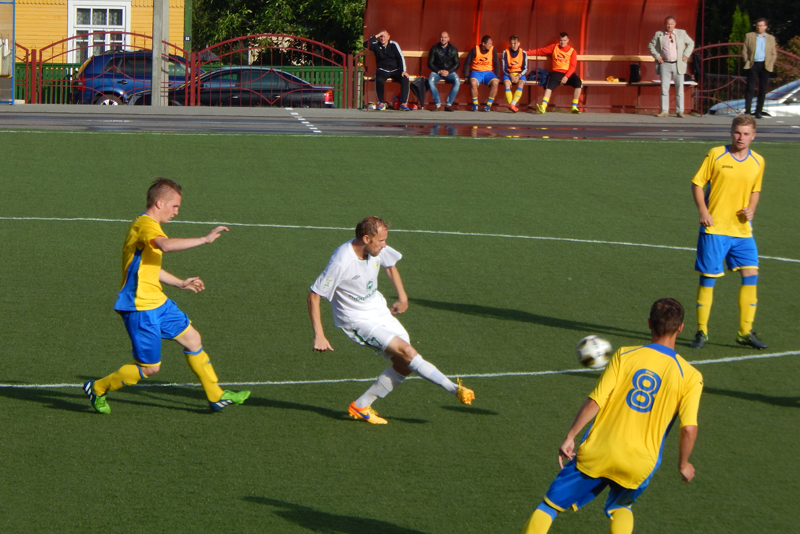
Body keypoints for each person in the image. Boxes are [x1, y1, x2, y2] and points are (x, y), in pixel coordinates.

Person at [521, 298, 703, 534]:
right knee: (622, 506)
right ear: (681, 328)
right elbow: (688, 428)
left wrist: (570, 436)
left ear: (649, 323)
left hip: (600, 451)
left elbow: (596, 400)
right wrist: (683, 464)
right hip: (640, 462)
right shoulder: (691, 376)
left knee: (549, 506)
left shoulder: (625, 355)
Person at [83, 178, 250, 414]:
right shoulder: (145, 226)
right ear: (160, 203)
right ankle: (97, 388)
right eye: (175, 206)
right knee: (150, 368)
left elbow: (148, 268)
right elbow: (166, 246)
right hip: (140, 308)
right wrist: (204, 239)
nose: (177, 212)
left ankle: (216, 396)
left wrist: (179, 282)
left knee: (193, 339)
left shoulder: (150, 226)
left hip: (159, 303)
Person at [307, 216, 475, 424]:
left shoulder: (376, 249)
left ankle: (361, 405)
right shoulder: (342, 262)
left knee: (405, 364)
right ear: (366, 238)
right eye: (381, 240)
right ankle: (454, 389)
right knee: (408, 352)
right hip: (357, 320)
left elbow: (389, 265)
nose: (385, 245)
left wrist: (402, 297)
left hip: (378, 310)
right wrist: (319, 335)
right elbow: (314, 296)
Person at [689, 114, 767, 350]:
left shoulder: (758, 161)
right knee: (708, 279)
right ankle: (702, 331)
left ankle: (745, 332)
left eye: (746, 134)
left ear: (753, 136)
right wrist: (703, 211)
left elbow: (755, 190)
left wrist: (752, 208)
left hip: (742, 231)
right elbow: (697, 184)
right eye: (737, 132)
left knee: (751, 274)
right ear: (731, 132)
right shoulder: (716, 154)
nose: (740, 137)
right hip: (714, 228)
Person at [648, 16, 694, 118]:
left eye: (671, 24)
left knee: (679, 88)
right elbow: (650, 45)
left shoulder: (681, 33)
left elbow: (691, 43)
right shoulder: (659, 34)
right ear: (665, 24)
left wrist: (686, 54)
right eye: (668, 24)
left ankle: (680, 111)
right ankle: (664, 111)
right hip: (665, 64)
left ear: (675, 24)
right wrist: (657, 56)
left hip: (678, 64)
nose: (670, 26)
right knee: (664, 89)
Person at [527, 32, 582, 114]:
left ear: (568, 40)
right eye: (561, 40)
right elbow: (541, 51)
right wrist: (525, 53)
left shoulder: (572, 51)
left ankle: (574, 107)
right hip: (557, 71)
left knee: (578, 83)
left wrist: (566, 76)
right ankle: (543, 106)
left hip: (568, 73)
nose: (562, 42)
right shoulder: (554, 47)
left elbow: (573, 66)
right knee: (549, 86)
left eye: (564, 40)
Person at [365, 30, 410, 111]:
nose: (382, 38)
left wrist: (404, 70)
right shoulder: (376, 44)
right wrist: (377, 35)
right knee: (379, 80)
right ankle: (381, 102)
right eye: (381, 36)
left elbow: (400, 57)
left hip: (395, 70)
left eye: (384, 36)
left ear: (388, 37)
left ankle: (403, 103)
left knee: (405, 79)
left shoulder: (394, 44)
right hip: (382, 70)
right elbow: (365, 44)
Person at [742, 18, 777, 119]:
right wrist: (747, 60)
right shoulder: (749, 36)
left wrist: (770, 63)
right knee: (750, 88)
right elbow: (745, 50)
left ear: (766, 27)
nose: (759, 27)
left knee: (762, 89)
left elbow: (773, 53)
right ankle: (747, 111)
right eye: (757, 25)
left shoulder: (770, 38)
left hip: (765, 65)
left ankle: (758, 111)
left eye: (761, 25)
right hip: (753, 64)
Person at [463, 35, 500, 112]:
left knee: (495, 83)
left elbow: (496, 63)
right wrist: (466, 76)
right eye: (489, 44)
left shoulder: (492, 50)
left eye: (491, 43)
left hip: (488, 72)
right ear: (483, 43)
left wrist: (498, 76)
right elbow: (467, 63)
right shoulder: (474, 50)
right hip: (476, 71)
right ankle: (475, 104)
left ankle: (488, 105)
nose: (491, 45)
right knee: (473, 83)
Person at [427, 31, 461, 111]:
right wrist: (439, 71)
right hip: (437, 72)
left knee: (457, 82)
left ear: (448, 39)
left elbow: (457, 64)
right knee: (430, 81)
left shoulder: (453, 49)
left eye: (445, 37)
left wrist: (448, 71)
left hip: (449, 72)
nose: (443, 39)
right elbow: (429, 63)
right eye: (442, 37)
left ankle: (448, 105)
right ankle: (437, 104)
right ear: (439, 38)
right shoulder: (434, 48)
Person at [502, 35, 529, 113]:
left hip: (519, 74)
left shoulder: (523, 52)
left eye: (515, 43)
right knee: (506, 83)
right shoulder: (505, 52)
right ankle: (512, 105)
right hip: (508, 73)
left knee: (521, 83)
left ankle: (512, 104)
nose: (513, 45)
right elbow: (504, 68)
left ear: (519, 43)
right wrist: (510, 75)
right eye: (511, 43)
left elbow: (525, 68)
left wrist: (518, 76)